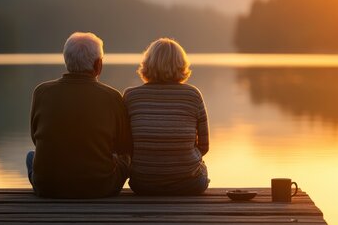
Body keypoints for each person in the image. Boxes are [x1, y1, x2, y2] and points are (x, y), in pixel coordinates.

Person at [27, 32, 132, 198]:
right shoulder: (112, 97)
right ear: (98, 65)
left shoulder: (41, 92)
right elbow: (123, 146)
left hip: (48, 187)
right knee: (125, 157)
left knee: (31, 156)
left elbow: (35, 137)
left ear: (66, 61)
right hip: (99, 187)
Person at [124, 38, 210, 195]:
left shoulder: (131, 96)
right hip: (189, 184)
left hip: (142, 184)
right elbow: (204, 147)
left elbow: (124, 145)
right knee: (202, 167)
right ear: (181, 64)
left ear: (147, 64)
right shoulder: (193, 95)